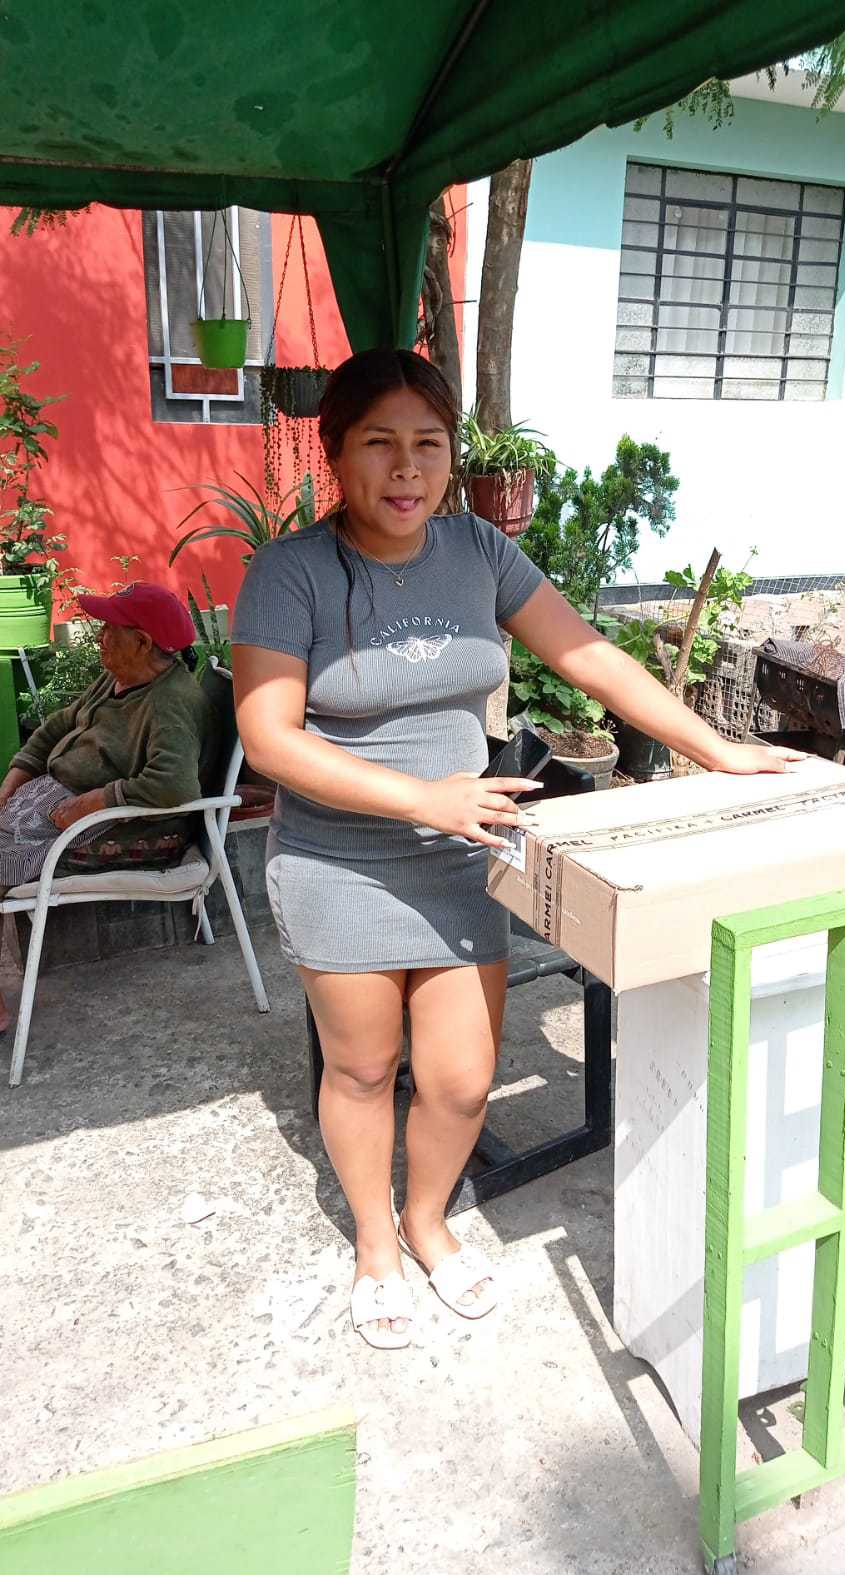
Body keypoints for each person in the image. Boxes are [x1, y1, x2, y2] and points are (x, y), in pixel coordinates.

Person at [231, 348, 803, 1351]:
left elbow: (588, 654)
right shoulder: (291, 572)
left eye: (428, 444)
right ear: (336, 453)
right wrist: (423, 797)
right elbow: (269, 737)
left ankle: (426, 1219)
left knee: (460, 1078)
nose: (406, 468)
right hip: (336, 864)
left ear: (451, 455)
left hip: (460, 854)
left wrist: (715, 748)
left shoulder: (478, 552)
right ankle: (375, 1242)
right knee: (361, 1070)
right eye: (379, 443)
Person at [0, 582, 216, 1031]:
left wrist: (96, 800)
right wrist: (12, 783)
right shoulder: (119, 678)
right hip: (58, 805)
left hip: (121, 827)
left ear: (142, 642)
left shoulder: (170, 702)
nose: (99, 637)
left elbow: (175, 785)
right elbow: (56, 726)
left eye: (109, 629)